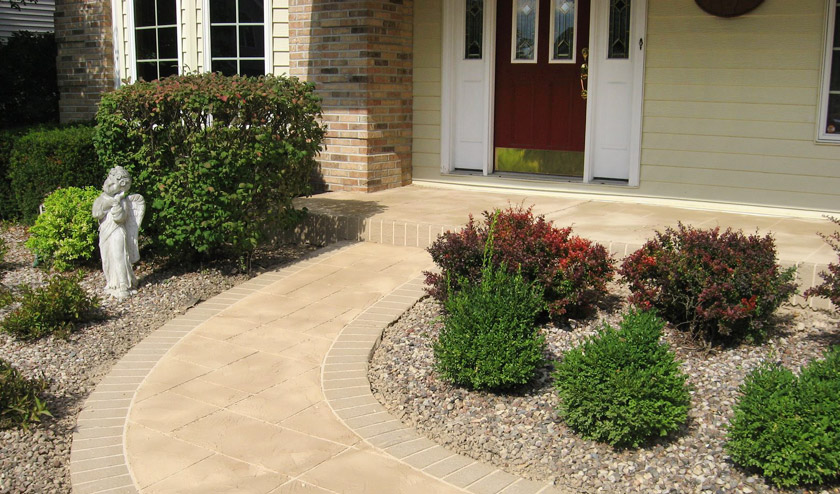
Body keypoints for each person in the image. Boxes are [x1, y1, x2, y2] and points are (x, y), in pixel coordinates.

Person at [92, 167, 145, 299]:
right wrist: (109, 202)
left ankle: (123, 284)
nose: (108, 183)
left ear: (122, 188)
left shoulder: (123, 202)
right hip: (105, 232)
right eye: (109, 179)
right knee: (107, 257)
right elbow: (96, 213)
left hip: (117, 231)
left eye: (113, 183)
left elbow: (119, 218)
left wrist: (116, 203)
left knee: (119, 256)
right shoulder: (101, 198)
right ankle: (112, 282)